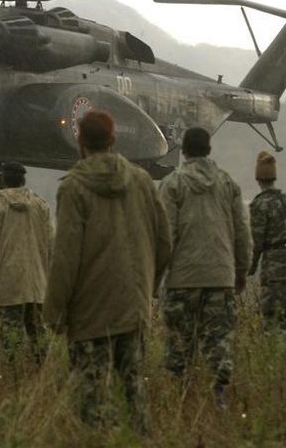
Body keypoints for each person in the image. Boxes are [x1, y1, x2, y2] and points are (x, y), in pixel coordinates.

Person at [44, 110, 171, 436]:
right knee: (132, 396)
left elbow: (66, 257)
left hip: (89, 317)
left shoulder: (73, 187)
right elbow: (164, 242)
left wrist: (55, 312)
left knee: (90, 403)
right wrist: (149, 287)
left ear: (80, 141)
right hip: (134, 309)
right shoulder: (142, 181)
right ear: (113, 140)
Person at [158, 127, 251, 410]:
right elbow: (242, 232)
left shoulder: (172, 183)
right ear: (209, 149)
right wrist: (241, 272)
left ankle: (181, 396)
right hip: (220, 275)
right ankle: (218, 396)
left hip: (182, 278)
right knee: (218, 339)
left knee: (180, 341)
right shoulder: (228, 184)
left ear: (183, 151)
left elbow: (165, 235)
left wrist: (155, 278)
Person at [0, 161, 54, 364]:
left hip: (9, 283)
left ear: (2, 181)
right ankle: (40, 371)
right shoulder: (40, 205)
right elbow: (52, 244)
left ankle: (13, 370)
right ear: (24, 180)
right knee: (37, 330)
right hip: (37, 283)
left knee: (11, 330)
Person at [248, 150, 286, 349]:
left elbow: (257, 241)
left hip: (274, 269)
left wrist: (251, 267)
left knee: (273, 319)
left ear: (258, 178)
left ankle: (277, 360)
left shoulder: (259, 204)